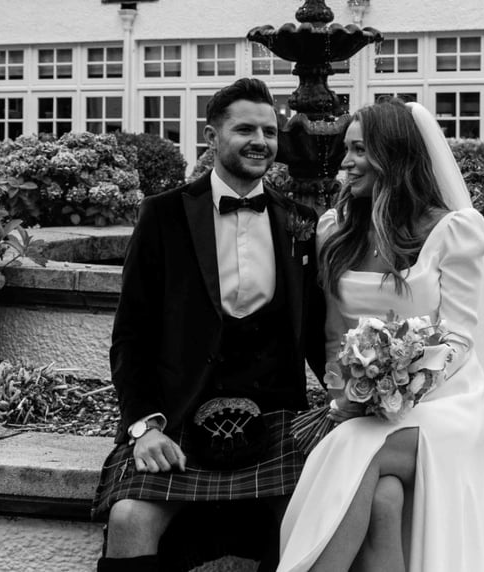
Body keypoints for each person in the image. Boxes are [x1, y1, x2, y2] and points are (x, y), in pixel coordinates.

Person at [277, 99, 484, 572]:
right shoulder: (336, 230)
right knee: (384, 499)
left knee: (352, 450)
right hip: (366, 405)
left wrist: (402, 383)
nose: (346, 162)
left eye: (359, 150)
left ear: (394, 156)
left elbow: (460, 339)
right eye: (346, 149)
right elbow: (334, 331)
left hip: (447, 404)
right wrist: (345, 395)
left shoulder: (453, 230)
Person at [91, 77, 326, 572]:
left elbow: (318, 334)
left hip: (276, 422)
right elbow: (131, 336)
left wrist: (356, 400)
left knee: (311, 516)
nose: (260, 141)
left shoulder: (300, 221)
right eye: (245, 129)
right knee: (130, 517)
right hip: (178, 421)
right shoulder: (163, 215)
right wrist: (144, 427)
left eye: (269, 131)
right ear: (211, 137)